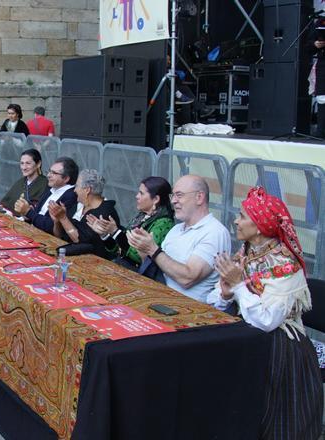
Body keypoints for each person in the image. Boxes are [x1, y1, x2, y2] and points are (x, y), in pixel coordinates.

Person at [206, 187, 323, 440]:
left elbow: (267, 321)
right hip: (245, 336)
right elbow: (214, 301)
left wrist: (238, 286)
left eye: (242, 216)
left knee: (277, 424)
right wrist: (226, 293)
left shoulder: (285, 265)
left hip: (279, 348)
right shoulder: (245, 253)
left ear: (259, 226)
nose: (235, 221)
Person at [127, 175, 230, 302]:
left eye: (179, 195)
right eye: (173, 196)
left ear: (199, 197)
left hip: (187, 308)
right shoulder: (176, 229)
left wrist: (153, 250)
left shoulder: (215, 232)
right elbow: (158, 269)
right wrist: (143, 251)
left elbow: (188, 278)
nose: (173, 201)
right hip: (159, 297)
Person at [88, 176, 175, 270]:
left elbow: (138, 256)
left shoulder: (164, 223)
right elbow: (119, 249)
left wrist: (115, 232)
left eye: (141, 193)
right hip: (122, 267)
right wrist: (104, 235)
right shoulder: (142, 217)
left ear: (155, 199)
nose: (137, 196)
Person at [49, 169, 119, 259]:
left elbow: (79, 241)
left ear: (87, 190)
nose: (74, 190)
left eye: (77, 186)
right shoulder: (78, 206)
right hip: (65, 255)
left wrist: (63, 218)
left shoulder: (104, 214)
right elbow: (59, 235)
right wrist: (57, 221)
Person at [14, 157, 79, 235]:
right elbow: (37, 215)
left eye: (54, 173)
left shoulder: (71, 196)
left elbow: (51, 227)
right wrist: (26, 214)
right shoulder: (52, 188)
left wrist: (28, 212)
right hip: (33, 231)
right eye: (49, 171)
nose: (48, 175)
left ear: (66, 178)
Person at [0, 149, 48, 213]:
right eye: (22, 163)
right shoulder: (20, 182)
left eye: (28, 163)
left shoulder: (45, 184)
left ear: (38, 164)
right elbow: (5, 204)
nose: (24, 167)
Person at [312, 18, 325, 137]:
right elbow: (307, 47)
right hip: (323, 64)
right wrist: (315, 44)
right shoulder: (320, 22)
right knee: (322, 97)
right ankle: (321, 131)